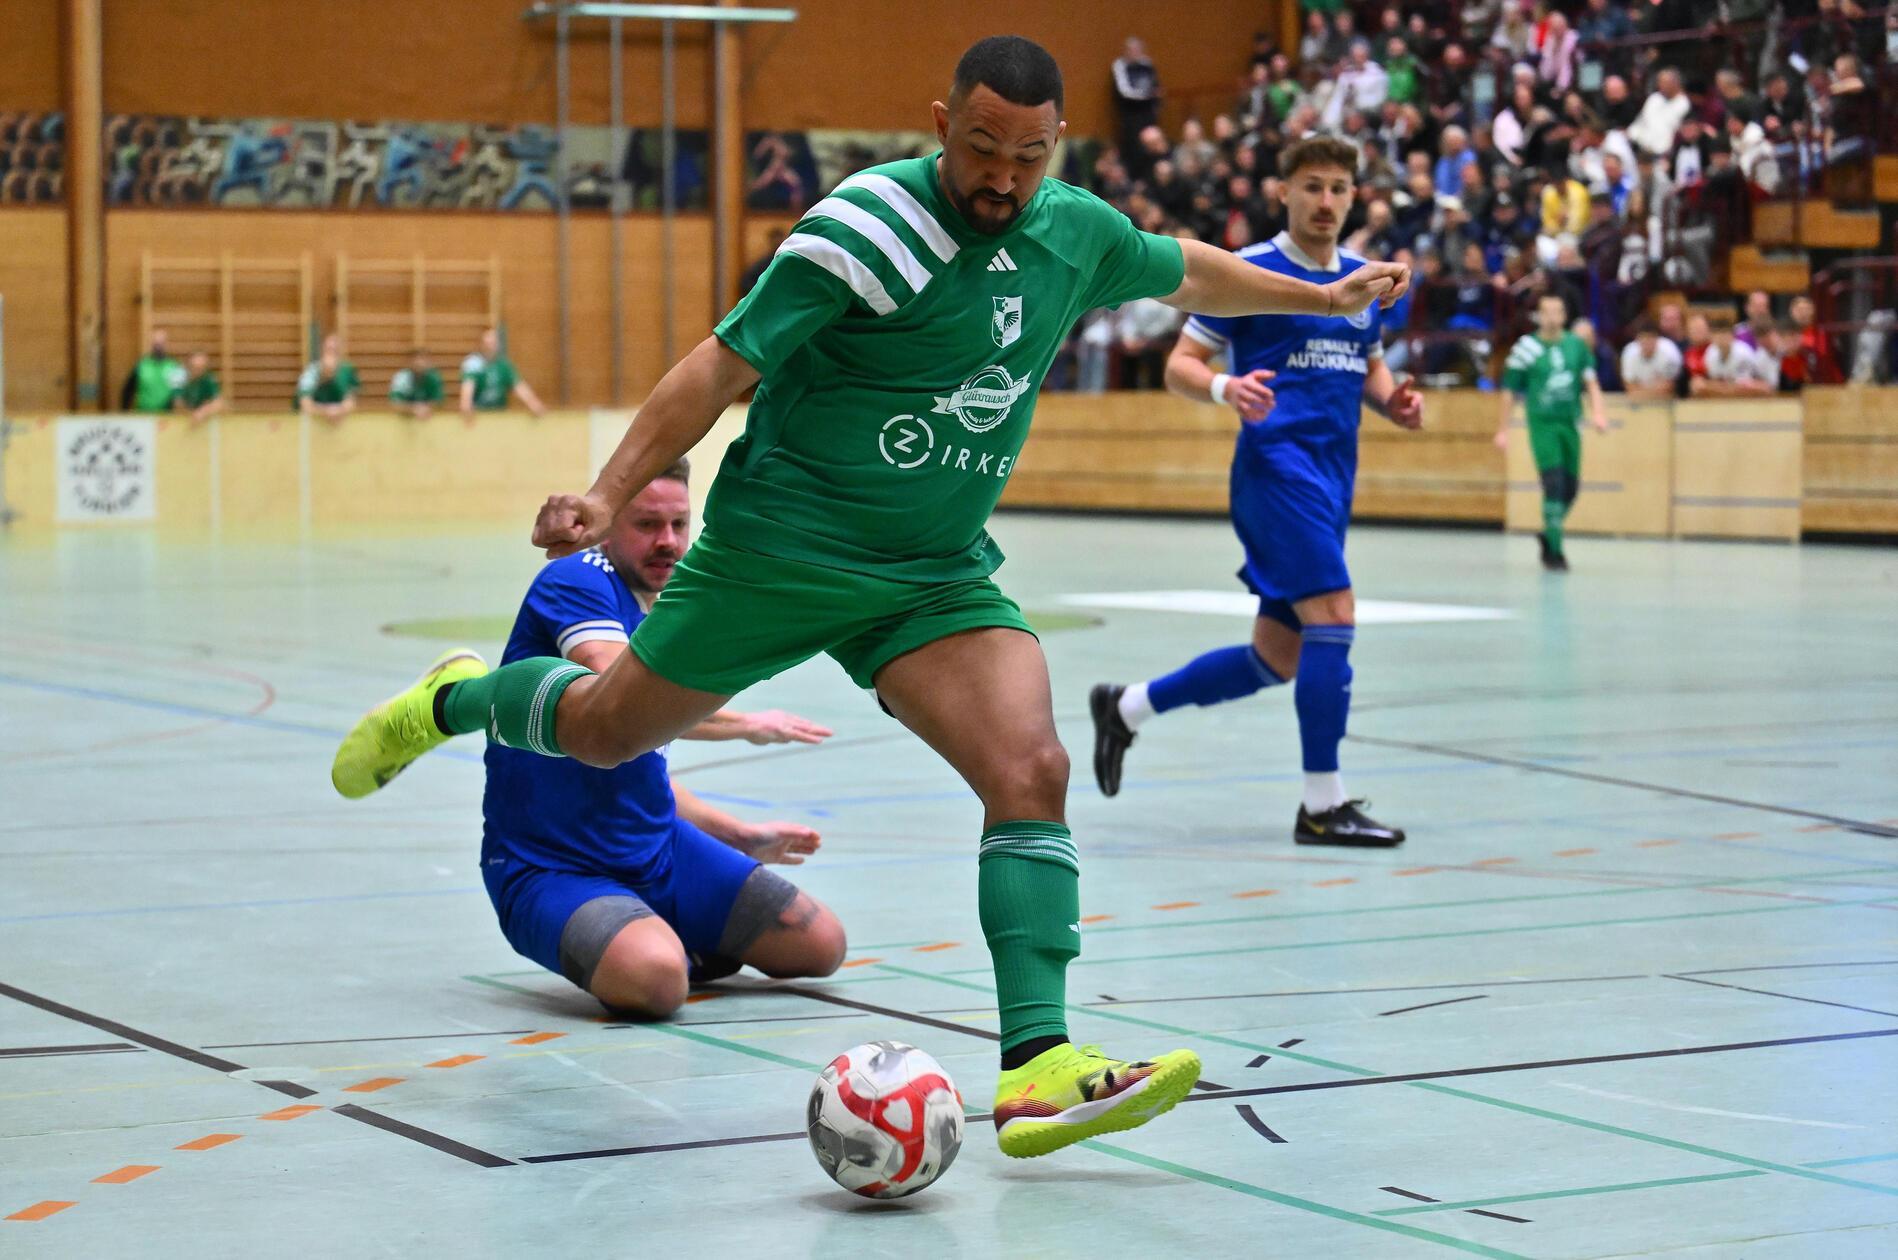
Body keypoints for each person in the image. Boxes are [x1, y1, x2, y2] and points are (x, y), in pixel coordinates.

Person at [332, 36, 1407, 1161]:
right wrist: (608, 494)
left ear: (1054, 150)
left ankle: (1037, 1064)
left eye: (1027, 156)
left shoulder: (1071, 230)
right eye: (981, 147)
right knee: (602, 733)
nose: (1001, 175)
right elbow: (719, 363)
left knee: (1029, 768)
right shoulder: (866, 228)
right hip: (780, 550)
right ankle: (456, 701)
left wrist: (1318, 295)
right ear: (941, 124)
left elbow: (1185, 268)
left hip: (931, 571)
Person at [1090, 135, 1423, 848]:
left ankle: (1127, 708)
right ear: (1284, 191)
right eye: (1312, 186)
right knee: (1335, 614)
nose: (1325, 200)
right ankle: (1322, 805)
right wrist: (1222, 386)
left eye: (1338, 187)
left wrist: (1392, 402)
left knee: (1279, 657)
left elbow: (1368, 366)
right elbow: (1180, 361)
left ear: (1354, 196)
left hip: (1334, 480)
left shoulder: (1365, 280)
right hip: (1275, 471)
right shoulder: (1250, 273)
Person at [473, 458, 844, 1015]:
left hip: (658, 852)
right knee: (658, 983)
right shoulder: (576, 578)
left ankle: (657, 930)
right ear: (607, 522)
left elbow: (650, 775)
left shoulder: (669, 606)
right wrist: (747, 725)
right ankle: (647, 942)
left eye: (679, 524)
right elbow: (627, 697)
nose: (667, 542)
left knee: (820, 944)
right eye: (647, 525)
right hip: (550, 866)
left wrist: (739, 835)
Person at [1496, 293, 1608, 571]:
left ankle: (1548, 532)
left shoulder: (1576, 346)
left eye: (1558, 312)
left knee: (1571, 488)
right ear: (1539, 316)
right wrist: (1503, 429)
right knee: (1554, 483)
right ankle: (1555, 552)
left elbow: (1591, 382)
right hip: (1542, 424)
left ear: (1564, 315)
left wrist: (1598, 413)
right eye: (1547, 312)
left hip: (1570, 424)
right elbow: (1509, 390)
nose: (1552, 317)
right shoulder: (1527, 348)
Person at [461, 328, 546, 418]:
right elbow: (468, 387)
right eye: (488, 343)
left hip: (499, 413)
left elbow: (518, 386)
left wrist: (532, 403)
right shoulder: (473, 363)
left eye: (494, 343)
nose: (491, 346)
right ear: (482, 344)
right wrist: (466, 405)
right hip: (480, 413)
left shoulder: (503, 365)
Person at [119, 327, 187, 413]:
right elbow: (128, 390)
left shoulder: (175, 367)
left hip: (166, 418)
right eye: (155, 344)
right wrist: (124, 411)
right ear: (151, 344)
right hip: (143, 417)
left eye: (161, 343)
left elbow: (179, 394)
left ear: (167, 344)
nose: (158, 347)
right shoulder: (141, 365)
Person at [296, 333, 359, 425]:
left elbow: (351, 401)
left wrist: (339, 411)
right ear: (323, 350)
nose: (332, 354)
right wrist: (326, 411)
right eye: (329, 349)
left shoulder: (347, 371)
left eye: (335, 350)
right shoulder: (311, 372)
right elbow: (305, 404)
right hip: (310, 425)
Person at [1619, 317, 1682, 399]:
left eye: (1650, 338)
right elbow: (1630, 388)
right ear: (1637, 339)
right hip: (1639, 400)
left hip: (1665, 401)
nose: (1647, 343)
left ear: (1657, 339)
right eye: (1643, 338)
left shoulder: (1670, 353)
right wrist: (1653, 391)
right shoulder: (1629, 353)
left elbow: (1668, 387)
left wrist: (1641, 391)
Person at [390, 349, 445, 420]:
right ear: (409, 363)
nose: (419, 363)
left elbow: (439, 401)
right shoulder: (402, 377)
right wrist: (414, 409)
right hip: (404, 421)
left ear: (429, 362)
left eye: (423, 359)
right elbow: (395, 403)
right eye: (415, 360)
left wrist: (426, 408)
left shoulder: (434, 377)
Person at [176, 351, 223, 424]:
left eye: (201, 368)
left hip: (203, 420)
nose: (198, 371)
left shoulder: (208, 378)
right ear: (189, 366)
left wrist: (203, 411)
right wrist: (190, 412)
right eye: (195, 367)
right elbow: (177, 403)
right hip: (182, 420)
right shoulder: (181, 377)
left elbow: (219, 403)